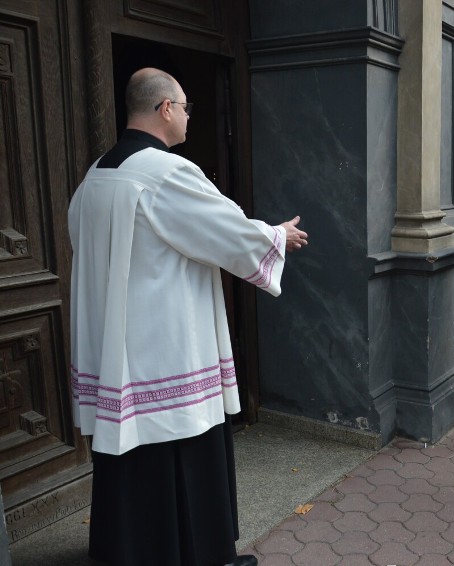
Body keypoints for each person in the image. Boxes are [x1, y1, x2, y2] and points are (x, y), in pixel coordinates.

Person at [68, 68, 309, 566]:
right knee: (183, 449)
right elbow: (227, 231)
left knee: (131, 460)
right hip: (166, 348)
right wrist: (277, 235)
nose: (188, 116)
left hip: (118, 346)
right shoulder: (166, 172)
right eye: (185, 106)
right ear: (165, 109)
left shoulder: (97, 173)